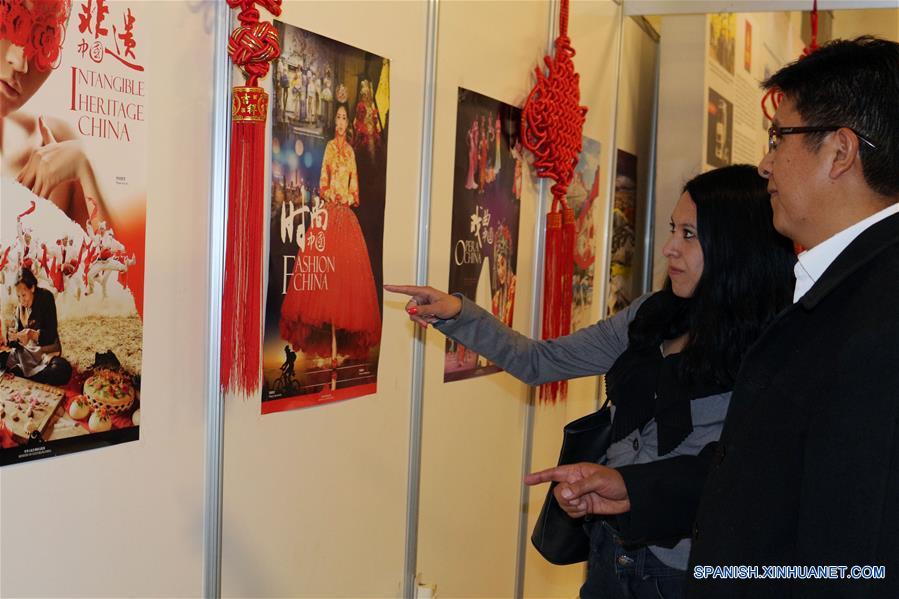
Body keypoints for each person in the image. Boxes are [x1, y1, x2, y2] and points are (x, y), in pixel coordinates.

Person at [535, 37, 899, 598]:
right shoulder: (835, 287)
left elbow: (858, 560)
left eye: (780, 138)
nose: (765, 163)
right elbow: (771, 478)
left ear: (841, 152)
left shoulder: (878, 314)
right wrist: (639, 489)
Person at [387, 164, 795, 599]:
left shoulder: (777, 346)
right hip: (609, 550)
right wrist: (459, 314)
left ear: (735, 245)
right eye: (673, 230)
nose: (669, 249)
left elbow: (746, 475)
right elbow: (541, 361)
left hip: (688, 570)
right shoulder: (650, 317)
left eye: (689, 235)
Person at [279, 104, 380, 384]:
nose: (341, 120)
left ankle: (338, 350)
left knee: (345, 280)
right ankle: (330, 348)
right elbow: (322, 181)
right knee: (325, 278)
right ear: (334, 120)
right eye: (338, 116)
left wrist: (347, 196)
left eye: (344, 117)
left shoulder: (350, 152)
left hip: (344, 215)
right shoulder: (329, 149)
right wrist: (331, 193)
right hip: (328, 214)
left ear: (348, 122)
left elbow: (355, 187)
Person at [0, 0, 110, 230]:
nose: (19, 62)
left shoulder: (55, 142)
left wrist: (83, 166)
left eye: (42, 38)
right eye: (10, 24)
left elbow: (116, 264)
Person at [1, 268, 71, 386]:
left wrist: (32, 334)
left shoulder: (46, 298)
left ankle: (23, 373)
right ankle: (29, 374)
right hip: (26, 354)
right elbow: (17, 341)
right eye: (18, 296)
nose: (21, 300)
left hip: (45, 353)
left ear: (32, 288)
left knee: (62, 369)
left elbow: (51, 335)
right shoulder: (20, 308)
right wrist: (11, 338)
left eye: (24, 295)